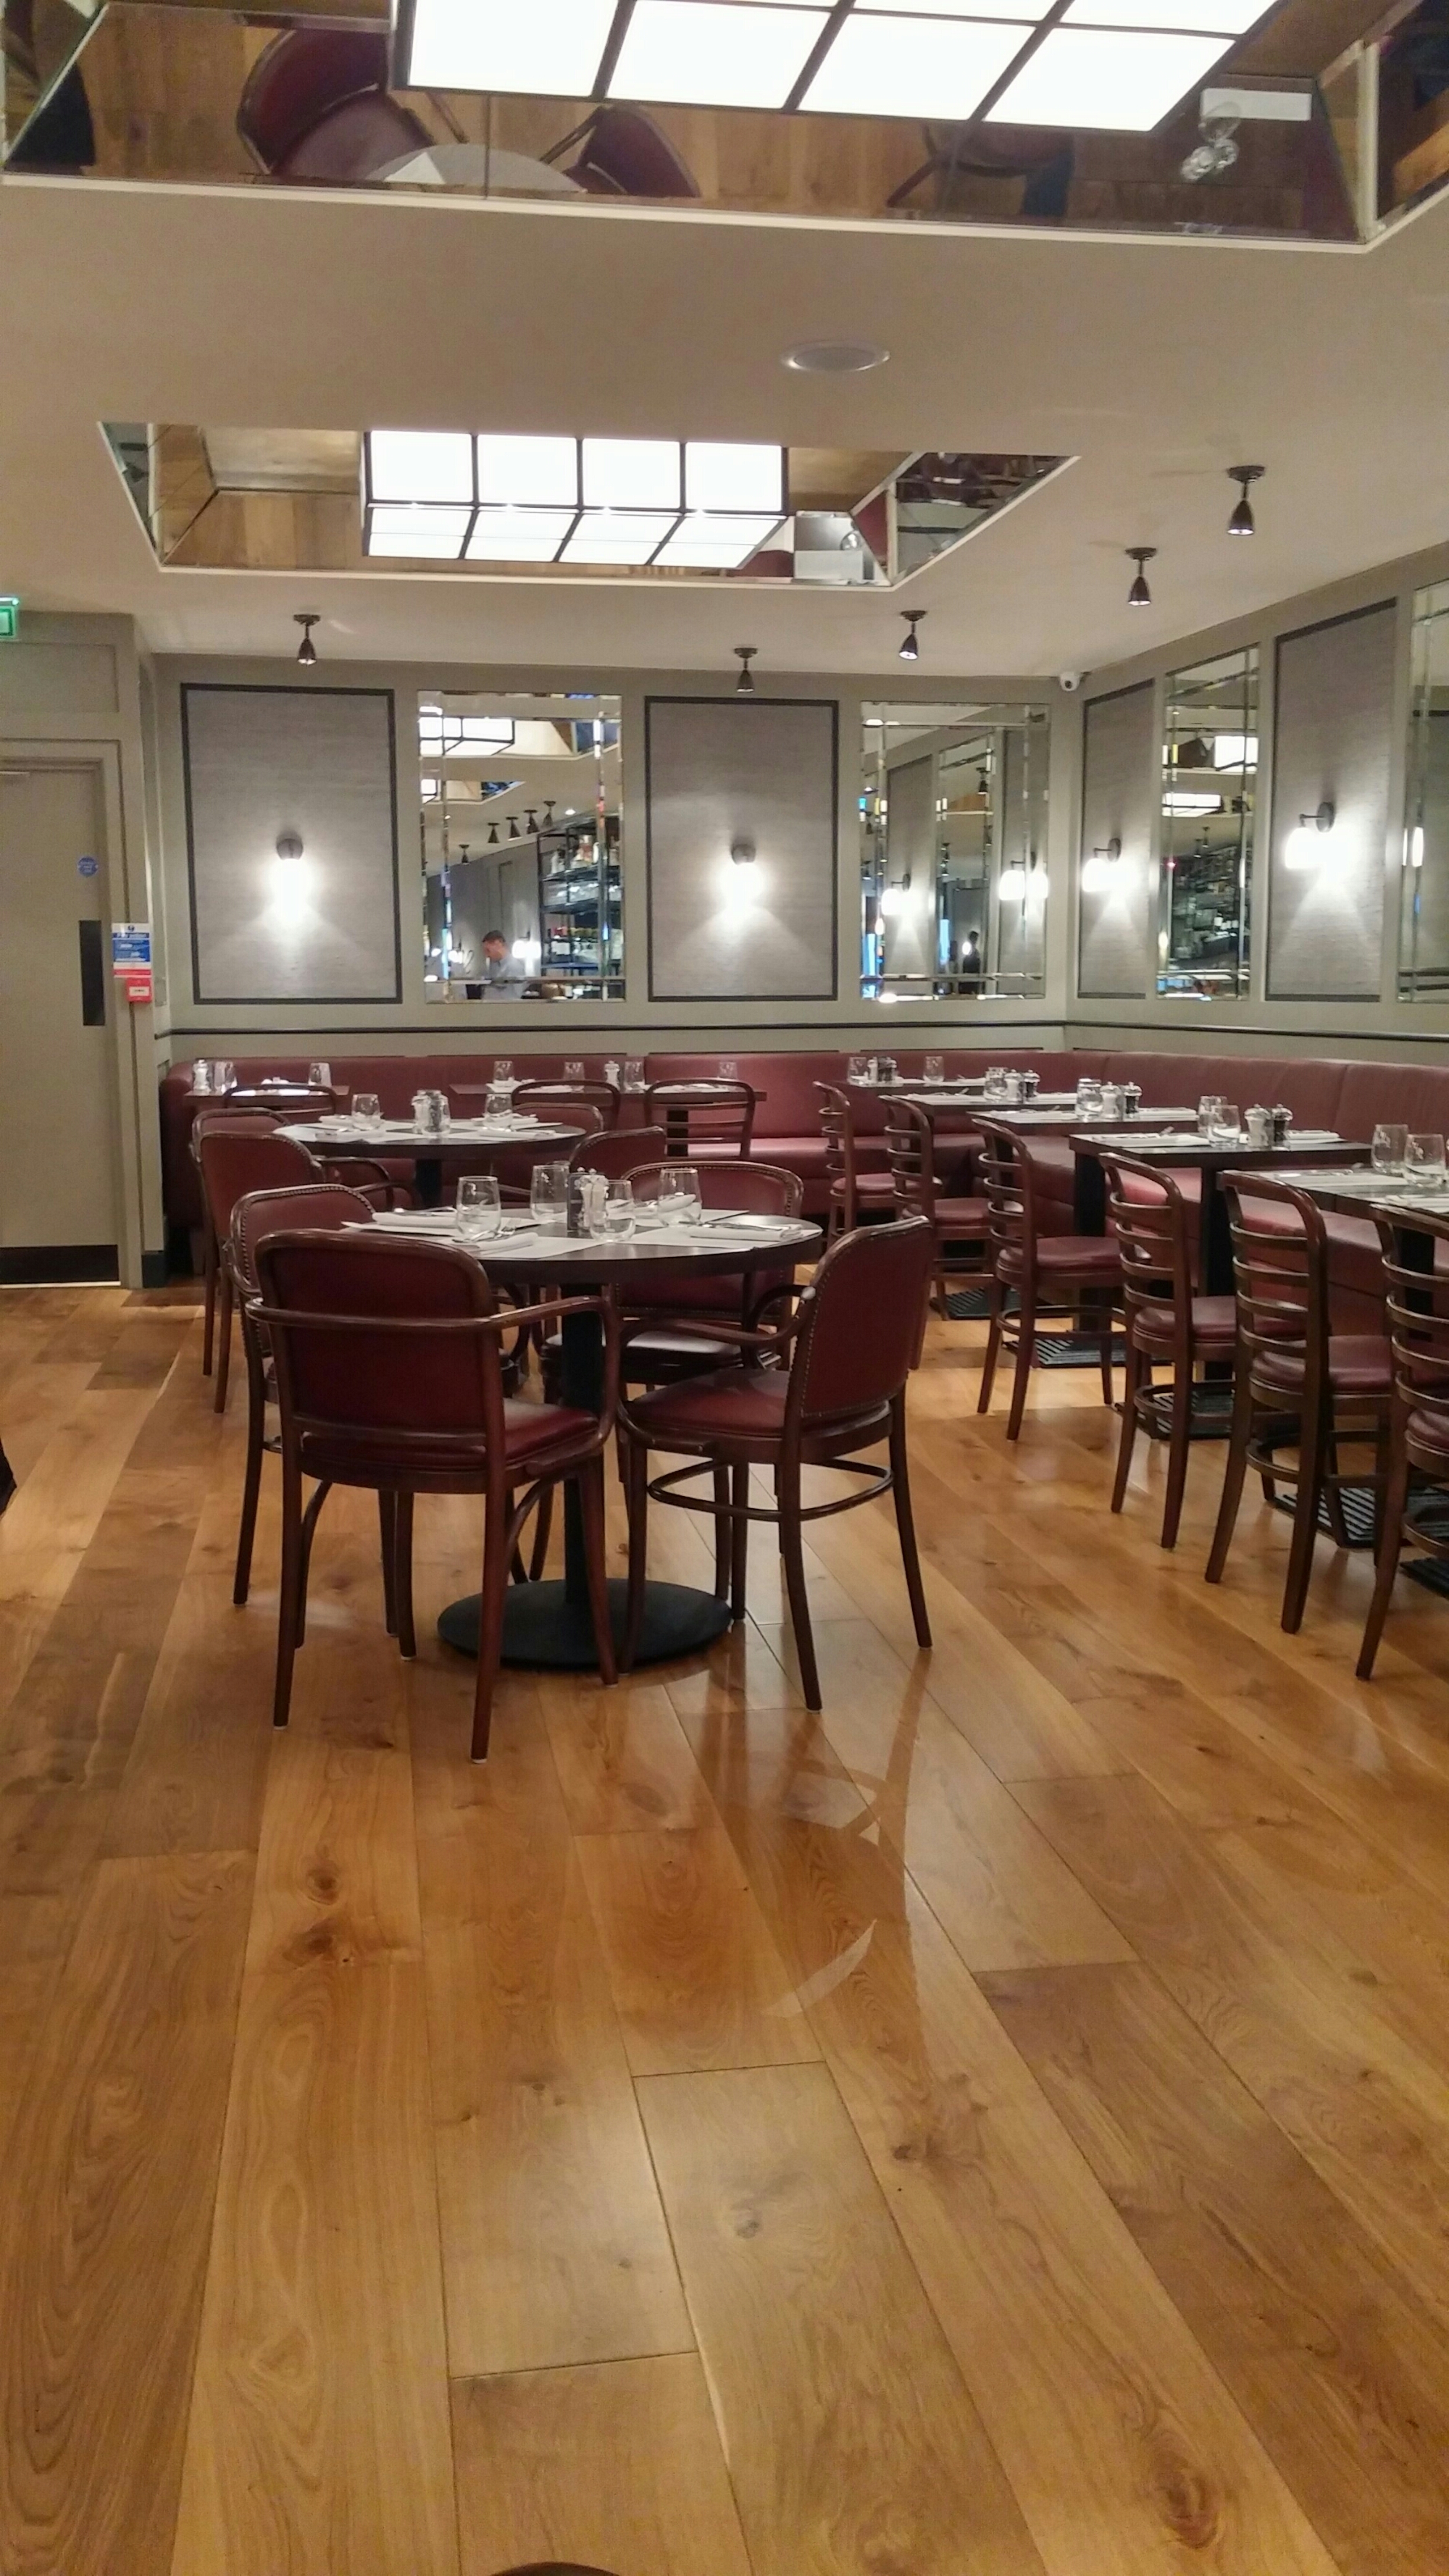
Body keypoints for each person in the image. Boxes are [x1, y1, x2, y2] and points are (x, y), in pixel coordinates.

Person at [477, 928, 528, 995]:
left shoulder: (514, 967)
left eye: (488, 950)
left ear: (498, 944)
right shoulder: (493, 966)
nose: (487, 956)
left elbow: (514, 996)